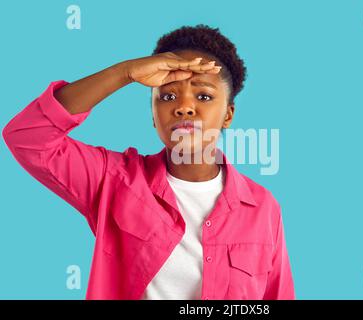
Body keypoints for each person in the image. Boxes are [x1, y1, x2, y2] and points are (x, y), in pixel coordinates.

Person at [2, 24, 295, 300]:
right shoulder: (113, 181)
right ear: (153, 116)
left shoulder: (263, 208)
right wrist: (125, 73)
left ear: (228, 115)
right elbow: (28, 136)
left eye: (203, 96)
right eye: (167, 96)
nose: (183, 108)